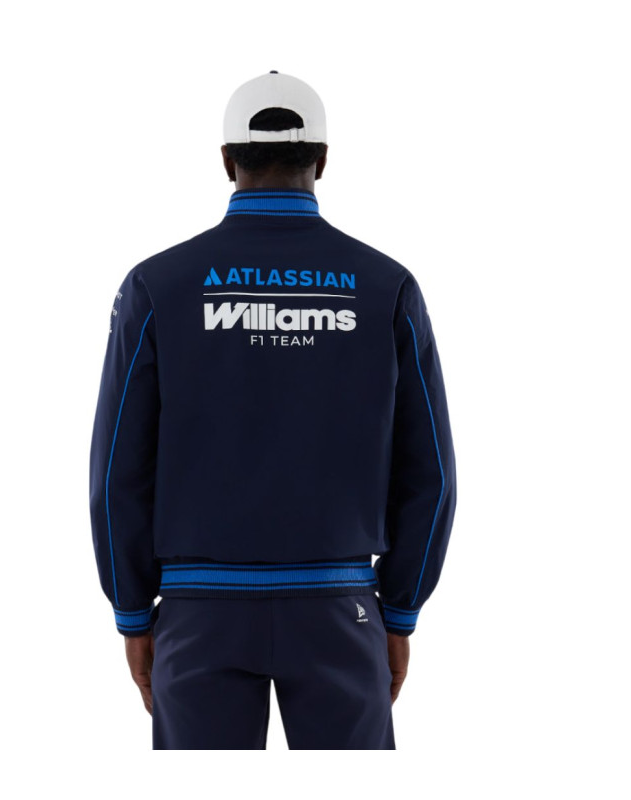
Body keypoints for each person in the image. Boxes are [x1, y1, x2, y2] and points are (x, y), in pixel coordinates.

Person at [88, 70, 457, 750]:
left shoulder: (157, 285)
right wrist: (400, 608)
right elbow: (430, 471)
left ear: (226, 160)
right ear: (324, 159)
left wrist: (133, 612)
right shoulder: (386, 287)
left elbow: (117, 471)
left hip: (198, 613)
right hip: (340, 608)